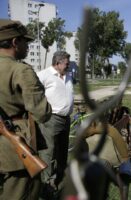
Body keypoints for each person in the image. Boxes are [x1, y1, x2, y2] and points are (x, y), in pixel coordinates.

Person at [0, 19, 52, 200]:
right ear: (15, 42)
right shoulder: (21, 70)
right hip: (14, 148)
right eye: (25, 41)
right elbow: (43, 113)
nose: (27, 46)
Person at [37, 51, 73, 198]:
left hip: (66, 119)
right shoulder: (43, 75)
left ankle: (61, 177)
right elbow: (35, 95)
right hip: (51, 119)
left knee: (63, 151)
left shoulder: (69, 75)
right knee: (49, 152)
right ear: (57, 63)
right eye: (66, 63)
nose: (68, 66)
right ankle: (48, 184)